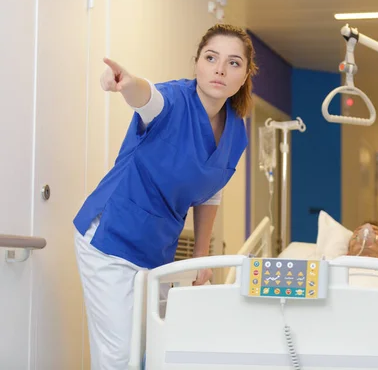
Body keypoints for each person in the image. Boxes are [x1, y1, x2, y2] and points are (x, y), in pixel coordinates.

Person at [73, 23, 258, 369]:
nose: (220, 68)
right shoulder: (172, 101)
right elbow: (146, 97)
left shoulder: (236, 132)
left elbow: (211, 192)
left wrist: (201, 258)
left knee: (152, 353)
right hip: (110, 237)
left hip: (156, 251)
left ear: (245, 74)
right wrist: (127, 85)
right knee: (120, 357)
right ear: (197, 63)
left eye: (233, 63)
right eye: (211, 57)